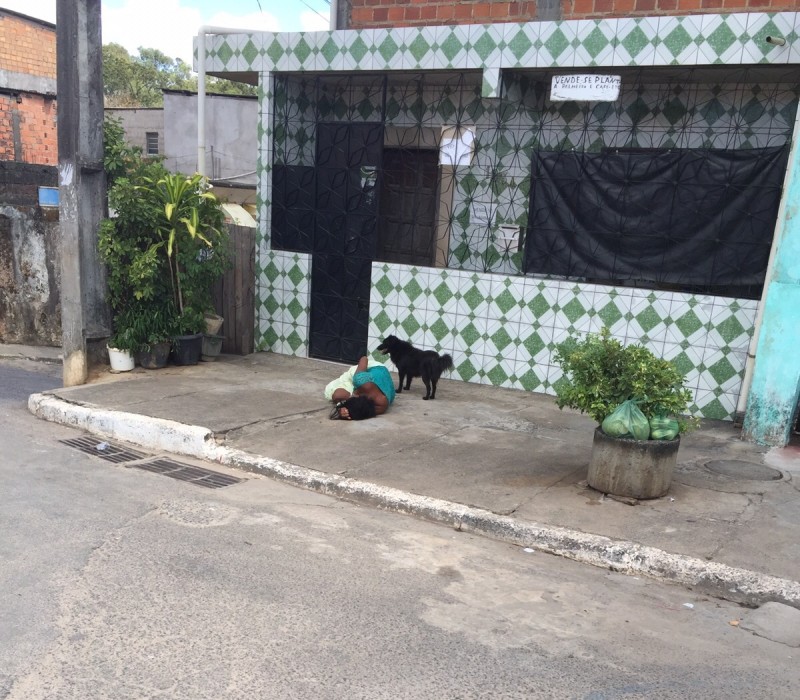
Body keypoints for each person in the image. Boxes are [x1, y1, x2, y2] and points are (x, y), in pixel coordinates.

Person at [325, 355, 396, 420]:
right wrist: (341, 407)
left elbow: (337, 397)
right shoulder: (360, 380)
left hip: (379, 374)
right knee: (339, 392)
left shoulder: (379, 406)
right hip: (374, 370)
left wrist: (341, 409)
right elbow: (364, 358)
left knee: (337, 394)